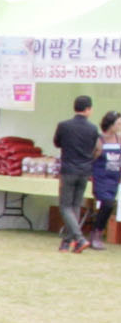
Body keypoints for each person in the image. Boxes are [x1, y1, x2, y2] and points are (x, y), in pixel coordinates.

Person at [53, 92, 99, 252]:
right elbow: (95, 147)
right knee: (76, 206)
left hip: (68, 169)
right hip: (85, 170)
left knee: (65, 206)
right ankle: (67, 242)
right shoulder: (93, 129)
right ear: (88, 109)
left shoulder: (64, 126)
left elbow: (57, 143)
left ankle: (79, 239)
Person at [89, 110, 121, 245]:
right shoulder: (99, 140)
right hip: (101, 177)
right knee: (107, 203)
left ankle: (98, 231)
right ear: (110, 125)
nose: (120, 126)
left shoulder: (119, 139)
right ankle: (96, 233)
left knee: (109, 205)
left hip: (114, 178)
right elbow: (91, 158)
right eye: (118, 123)